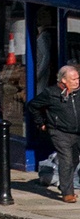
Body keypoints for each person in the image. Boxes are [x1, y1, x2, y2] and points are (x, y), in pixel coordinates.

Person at [35, 63, 80, 204]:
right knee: (66, 160)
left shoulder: (78, 93)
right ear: (64, 80)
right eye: (73, 79)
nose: (77, 81)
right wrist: (41, 123)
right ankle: (68, 193)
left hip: (77, 132)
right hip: (59, 131)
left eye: (78, 78)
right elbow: (33, 106)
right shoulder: (51, 93)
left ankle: (64, 184)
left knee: (74, 160)